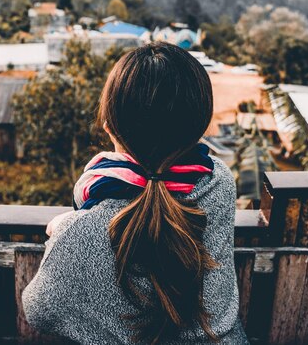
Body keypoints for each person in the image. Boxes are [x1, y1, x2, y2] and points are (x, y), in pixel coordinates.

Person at [22, 42, 249, 345]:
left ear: (109, 126)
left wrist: (69, 227)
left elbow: (39, 309)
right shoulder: (217, 181)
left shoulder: (81, 232)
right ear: (199, 124)